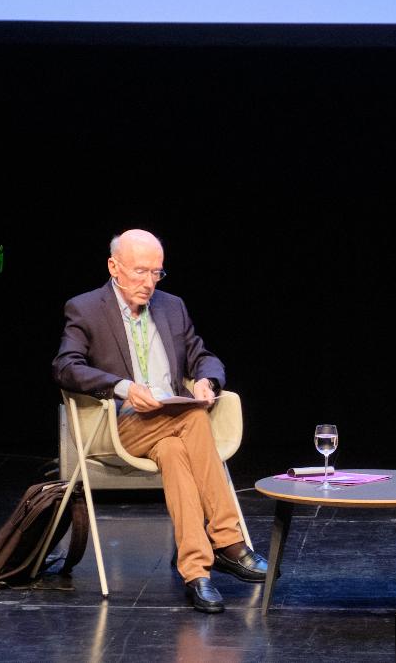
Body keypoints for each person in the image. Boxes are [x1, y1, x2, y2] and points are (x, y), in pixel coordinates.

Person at [52, 229, 268, 614]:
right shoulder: (85, 308)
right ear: (113, 268)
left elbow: (204, 356)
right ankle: (229, 542)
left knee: (174, 449)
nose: (149, 283)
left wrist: (206, 379)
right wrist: (121, 387)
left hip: (170, 425)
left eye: (156, 273)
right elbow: (66, 367)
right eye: (140, 272)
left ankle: (197, 572)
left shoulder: (172, 307)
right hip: (120, 426)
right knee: (193, 419)